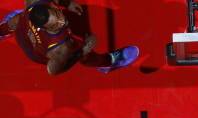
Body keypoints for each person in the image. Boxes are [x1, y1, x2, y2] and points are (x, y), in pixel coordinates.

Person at [0, 0, 138, 75]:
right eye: (56, 24)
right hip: (38, 52)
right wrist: (84, 49)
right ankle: (107, 63)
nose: (62, 21)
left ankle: (2, 31)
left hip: (21, 32)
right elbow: (52, 70)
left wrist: (67, 3)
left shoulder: (34, 2)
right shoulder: (61, 48)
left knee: (17, 19)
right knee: (83, 55)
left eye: (58, 14)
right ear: (45, 27)